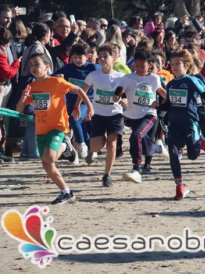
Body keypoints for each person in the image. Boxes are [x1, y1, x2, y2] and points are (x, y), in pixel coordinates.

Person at [16, 53, 94, 204]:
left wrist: (88, 107)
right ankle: (66, 192)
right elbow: (19, 109)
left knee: (50, 157)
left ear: (47, 67)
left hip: (58, 127)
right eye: (31, 65)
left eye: (37, 64)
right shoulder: (32, 87)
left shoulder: (57, 82)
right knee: (47, 164)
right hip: (41, 130)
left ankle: (66, 146)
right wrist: (23, 97)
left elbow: (79, 90)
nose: (33, 68)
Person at [160, 49, 205, 200]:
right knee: (172, 151)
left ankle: (200, 141)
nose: (174, 67)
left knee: (192, 156)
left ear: (186, 66)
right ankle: (179, 185)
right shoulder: (170, 84)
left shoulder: (191, 81)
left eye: (177, 64)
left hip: (190, 123)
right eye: (172, 64)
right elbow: (168, 105)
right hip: (174, 125)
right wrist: (157, 106)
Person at [118, 49, 166, 183]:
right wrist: (121, 97)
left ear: (150, 64)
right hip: (131, 115)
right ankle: (158, 148)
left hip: (148, 114)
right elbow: (119, 92)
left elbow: (162, 91)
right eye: (136, 65)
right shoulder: (127, 78)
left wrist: (166, 103)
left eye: (142, 66)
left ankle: (136, 169)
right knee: (144, 145)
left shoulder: (154, 78)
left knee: (136, 136)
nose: (139, 69)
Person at [82, 44, 125, 187]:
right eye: (99, 57)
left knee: (111, 145)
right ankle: (93, 150)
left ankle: (107, 175)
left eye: (105, 56)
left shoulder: (121, 77)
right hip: (98, 114)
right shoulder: (94, 75)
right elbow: (82, 91)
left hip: (115, 114)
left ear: (114, 59)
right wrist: (78, 107)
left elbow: (128, 93)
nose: (101, 59)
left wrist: (125, 100)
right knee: (96, 146)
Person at [54, 43, 97, 161]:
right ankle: (90, 147)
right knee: (79, 126)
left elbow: (105, 73)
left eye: (80, 57)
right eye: (75, 57)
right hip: (70, 103)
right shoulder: (68, 68)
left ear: (87, 56)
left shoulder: (92, 68)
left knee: (74, 120)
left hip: (85, 103)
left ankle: (82, 144)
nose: (77, 60)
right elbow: (53, 76)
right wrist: (58, 76)